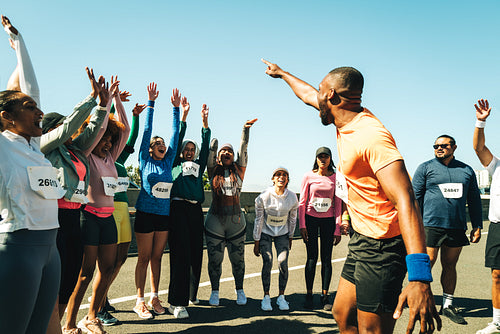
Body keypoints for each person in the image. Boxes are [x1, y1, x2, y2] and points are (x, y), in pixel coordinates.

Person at [262, 59, 440, 334]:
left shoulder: (371, 136)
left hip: (383, 245)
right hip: (362, 239)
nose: (315, 96)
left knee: (372, 330)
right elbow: (308, 94)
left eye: (321, 90)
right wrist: (283, 74)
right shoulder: (342, 117)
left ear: (331, 95)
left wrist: (419, 277)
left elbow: (406, 199)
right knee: (343, 313)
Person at [41, 68, 111, 334]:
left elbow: (92, 129)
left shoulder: (75, 150)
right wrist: (92, 99)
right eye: (60, 126)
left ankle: (54, 327)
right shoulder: (43, 145)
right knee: (52, 280)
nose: (67, 130)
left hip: (73, 218)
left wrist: (103, 106)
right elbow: (67, 128)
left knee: (70, 277)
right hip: (52, 217)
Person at [62, 77, 128, 334]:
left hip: (107, 218)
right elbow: (99, 129)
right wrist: (106, 101)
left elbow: (123, 132)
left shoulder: (112, 157)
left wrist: (118, 99)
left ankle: (91, 316)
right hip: (88, 216)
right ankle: (68, 323)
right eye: (105, 139)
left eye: (111, 141)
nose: (108, 143)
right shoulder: (87, 154)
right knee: (85, 272)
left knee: (108, 268)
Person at [0, 89, 61, 334]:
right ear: (6, 117)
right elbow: (30, 84)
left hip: (51, 250)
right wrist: (20, 49)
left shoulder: (35, 149)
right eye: (30, 106)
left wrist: (101, 103)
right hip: (19, 250)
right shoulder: (3, 146)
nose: (40, 112)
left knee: (38, 329)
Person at [413, 134, 482, 325]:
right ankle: (422, 303)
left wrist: (477, 225)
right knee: (427, 264)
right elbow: (415, 198)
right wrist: (413, 224)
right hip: (430, 225)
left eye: (443, 145)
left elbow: (474, 200)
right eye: (436, 146)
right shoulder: (425, 168)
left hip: (456, 226)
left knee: (450, 266)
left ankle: (447, 305)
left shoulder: (466, 170)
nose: (439, 148)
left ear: (454, 147)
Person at [97, 95, 146, 325]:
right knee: (105, 262)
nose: (110, 142)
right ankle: (98, 305)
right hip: (106, 209)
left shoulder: (118, 158)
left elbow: (131, 135)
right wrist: (108, 101)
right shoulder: (97, 157)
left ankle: (103, 295)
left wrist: (134, 116)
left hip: (124, 209)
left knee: (121, 258)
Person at [133, 83, 180, 319]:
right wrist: (151, 104)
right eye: (157, 144)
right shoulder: (145, 159)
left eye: (163, 143)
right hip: (145, 213)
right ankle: (139, 300)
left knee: (157, 257)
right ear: (150, 149)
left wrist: (176, 110)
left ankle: (155, 297)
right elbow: (147, 130)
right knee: (143, 257)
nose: (162, 144)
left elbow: (175, 135)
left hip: (163, 214)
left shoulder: (167, 161)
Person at [205, 117, 257, 306]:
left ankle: (240, 290)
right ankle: (215, 291)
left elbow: (244, 147)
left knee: (238, 260)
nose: (226, 152)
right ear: (218, 156)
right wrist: (213, 145)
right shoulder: (213, 171)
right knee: (215, 259)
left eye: (229, 150)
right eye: (223, 151)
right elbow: (210, 153)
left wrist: (245, 130)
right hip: (215, 221)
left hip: (236, 221)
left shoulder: (239, 169)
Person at [168, 99, 210, 318]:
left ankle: (192, 294)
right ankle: (177, 302)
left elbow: (205, 151)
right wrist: (183, 118)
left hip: (195, 211)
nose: (190, 152)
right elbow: (176, 141)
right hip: (177, 210)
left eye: (193, 150)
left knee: (195, 253)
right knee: (181, 255)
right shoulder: (175, 162)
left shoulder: (198, 165)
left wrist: (204, 123)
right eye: (187, 149)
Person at [298, 147, 347, 311]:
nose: (323, 159)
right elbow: (302, 202)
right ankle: (309, 294)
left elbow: (338, 203)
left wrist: (338, 228)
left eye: (326, 157)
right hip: (311, 219)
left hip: (328, 221)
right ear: (316, 159)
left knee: (327, 259)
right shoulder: (308, 176)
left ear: (330, 159)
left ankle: (325, 296)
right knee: (312, 257)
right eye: (320, 157)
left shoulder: (336, 177)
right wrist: (302, 225)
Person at [253, 167, 298, 311]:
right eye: (278, 175)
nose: (281, 177)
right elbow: (259, 219)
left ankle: (281, 297)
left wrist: (290, 236)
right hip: (266, 232)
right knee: (268, 260)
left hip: (283, 233)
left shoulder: (292, 197)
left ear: (287, 180)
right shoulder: (264, 196)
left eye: (285, 175)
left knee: (282, 261)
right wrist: (256, 240)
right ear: (273, 179)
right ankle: (266, 296)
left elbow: (293, 218)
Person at [473, 99, 500, 334]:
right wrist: (480, 122)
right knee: (497, 275)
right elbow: (479, 149)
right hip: (498, 226)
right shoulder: (497, 165)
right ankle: (498, 322)